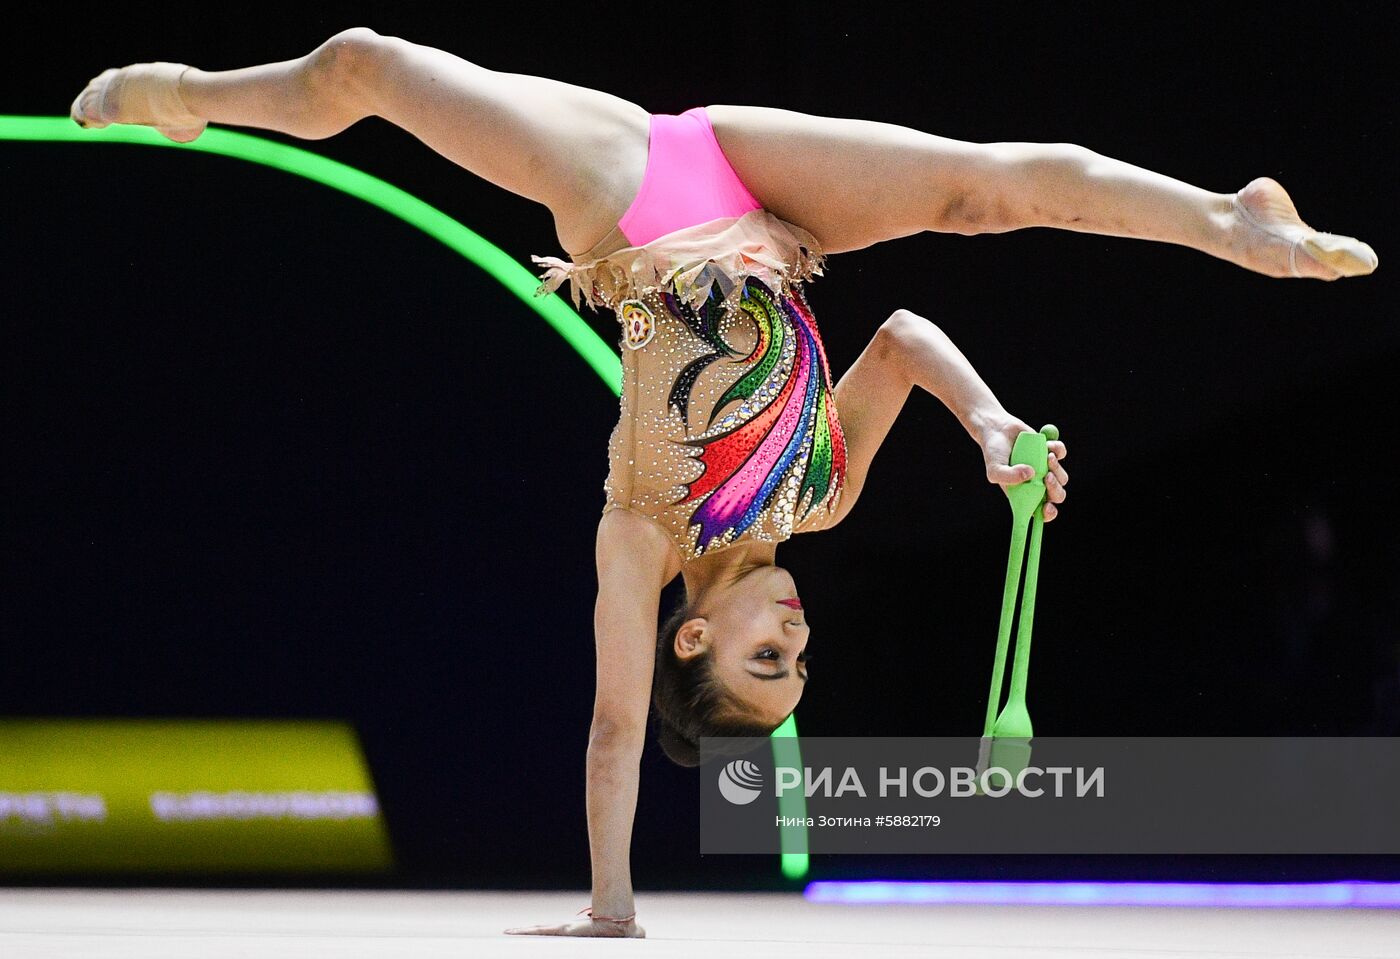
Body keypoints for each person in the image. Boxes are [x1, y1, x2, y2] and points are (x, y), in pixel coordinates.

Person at [69, 28, 1376, 939]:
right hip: (765, 198)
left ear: (692, 633)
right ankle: (1227, 218)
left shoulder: (641, 529)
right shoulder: (824, 498)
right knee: (981, 193)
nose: (796, 644)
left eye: (764, 664)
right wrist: (989, 431)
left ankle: (185, 92)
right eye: (796, 673)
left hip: (633, 204)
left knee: (367, 65)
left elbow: (614, 733)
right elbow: (907, 338)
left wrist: (611, 905)